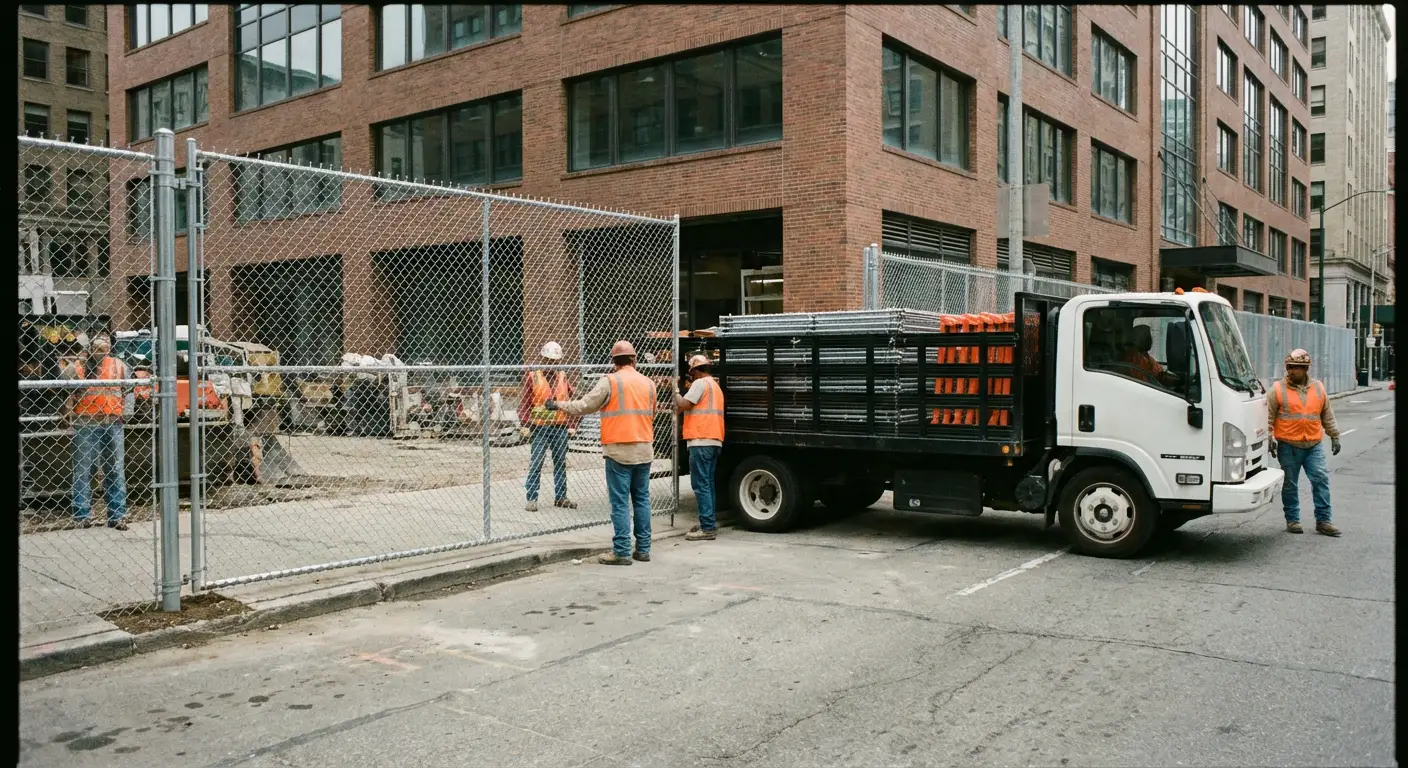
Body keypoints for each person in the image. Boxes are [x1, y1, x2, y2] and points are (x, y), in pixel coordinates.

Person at [546, 340, 657, 565]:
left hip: (618, 450)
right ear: (634, 360)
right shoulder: (649, 383)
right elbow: (651, 412)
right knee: (642, 500)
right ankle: (643, 550)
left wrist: (559, 405)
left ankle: (622, 552)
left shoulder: (610, 382)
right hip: (644, 448)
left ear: (613, 361)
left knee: (620, 503)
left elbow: (586, 405)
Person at [62, 333, 132, 531]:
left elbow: (129, 389)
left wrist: (125, 414)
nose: (101, 352)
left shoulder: (119, 366)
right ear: (91, 349)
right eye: (97, 348)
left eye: (104, 348)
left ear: (109, 349)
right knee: (84, 470)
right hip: (85, 423)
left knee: (115, 470)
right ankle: (82, 515)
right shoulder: (79, 366)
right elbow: (63, 384)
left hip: (113, 423)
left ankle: (117, 516)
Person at [1268, 348, 1342, 536]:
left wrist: (1334, 435)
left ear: (1306, 369)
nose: (1292, 370)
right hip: (1288, 445)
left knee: (1320, 479)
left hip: (1313, 445)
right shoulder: (1277, 389)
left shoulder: (1318, 388)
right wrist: (1269, 438)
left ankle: (1324, 520)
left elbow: (1327, 414)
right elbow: (1268, 417)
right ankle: (1293, 520)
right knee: (1290, 484)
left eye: (1297, 367)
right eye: (1290, 367)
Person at [518, 341, 578, 513]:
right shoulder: (533, 376)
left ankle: (561, 497)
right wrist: (525, 424)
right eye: (549, 360)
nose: (552, 363)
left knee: (560, 463)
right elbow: (525, 402)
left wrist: (572, 424)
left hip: (560, 427)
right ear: (542, 358)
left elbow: (571, 401)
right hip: (540, 428)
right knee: (536, 462)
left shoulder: (562, 376)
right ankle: (532, 498)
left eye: (555, 360)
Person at [675, 354, 724, 542]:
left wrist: (674, 390)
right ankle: (708, 522)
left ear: (695, 370)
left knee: (700, 485)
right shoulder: (715, 386)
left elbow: (685, 404)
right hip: (713, 439)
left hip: (700, 440)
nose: (691, 376)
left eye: (692, 372)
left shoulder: (700, 384)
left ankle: (707, 528)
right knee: (708, 484)